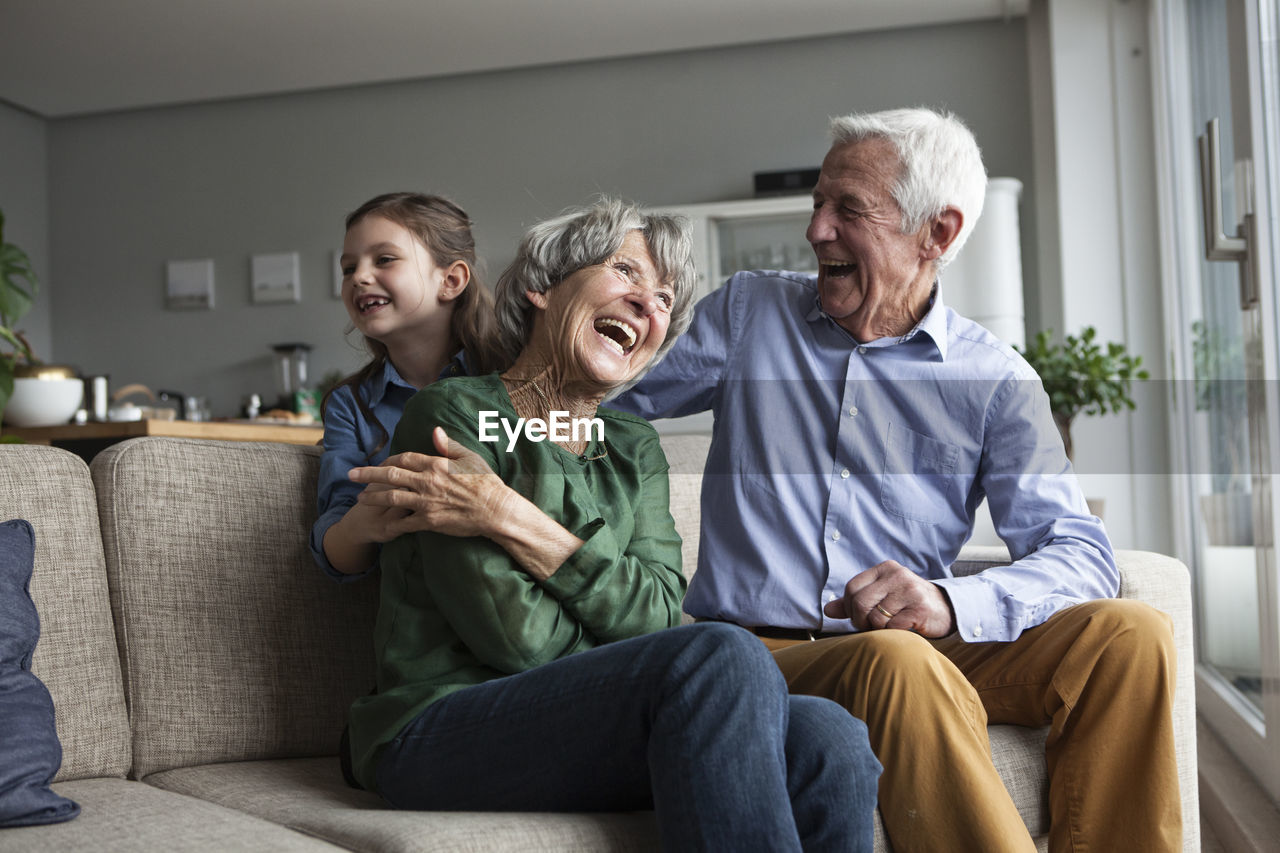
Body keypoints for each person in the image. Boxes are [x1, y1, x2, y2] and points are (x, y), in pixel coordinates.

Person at [612, 109, 1181, 852]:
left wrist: (950, 601)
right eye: (818, 203)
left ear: (936, 234)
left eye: (848, 209)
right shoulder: (751, 314)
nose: (817, 229)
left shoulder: (995, 379)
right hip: (766, 655)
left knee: (1131, 634)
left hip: (920, 648)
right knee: (897, 657)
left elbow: (1078, 551)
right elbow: (601, 396)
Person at [343, 198, 881, 851]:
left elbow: (658, 611)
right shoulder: (451, 416)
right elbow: (519, 641)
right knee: (718, 653)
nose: (647, 305)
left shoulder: (633, 445)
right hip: (437, 725)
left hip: (586, 718)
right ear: (542, 286)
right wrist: (630, 654)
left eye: (663, 300)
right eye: (624, 271)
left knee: (831, 736)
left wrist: (511, 515)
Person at [310, 192, 506, 580]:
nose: (359, 277)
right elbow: (336, 549)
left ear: (451, 280)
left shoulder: (509, 378)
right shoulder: (349, 405)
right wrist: (361, 524)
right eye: (349, 268)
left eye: (384, 259)